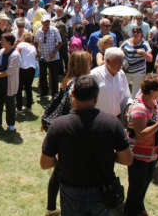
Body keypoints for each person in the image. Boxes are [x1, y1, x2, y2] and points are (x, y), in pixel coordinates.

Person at [40, 76, 133, 216]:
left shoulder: (58, 125)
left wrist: (64, 158)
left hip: (71, 192)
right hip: (103, 190)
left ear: (72, 94)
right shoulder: (112, 123)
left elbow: (45, 163)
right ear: (96, 98)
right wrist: (107, 155)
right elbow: (127, 160)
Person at [44, 51, 93, 216]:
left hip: (64, 131)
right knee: (62, 171)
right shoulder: (78, 85)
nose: (91, 65)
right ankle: (54, 207)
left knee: (59, 170)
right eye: (89, 62)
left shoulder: (68, 81)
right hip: (71, 133)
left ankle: (51, 207)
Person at [124, 73, 158, 216]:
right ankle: (130, 211)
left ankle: (139, 205)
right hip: (138, 153)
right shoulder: (139, 108)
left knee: (145, 182)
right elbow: (141, 134)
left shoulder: (153, 102)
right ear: (152, 91)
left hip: (151, 153)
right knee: (137, 185)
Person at [0, 33, 21, 130]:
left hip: (9, 83)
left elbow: (9, 71)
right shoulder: (1, 51)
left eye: (3, 40)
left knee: (10, 103)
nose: (0, 41)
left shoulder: (15, 54)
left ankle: (11, 124)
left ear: (9, 42)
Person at [90, 47, 132, 117]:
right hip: (98, 118)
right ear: (108, 61)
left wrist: (129, 108)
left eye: (122, 61)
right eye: (118, 61)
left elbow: (126, 96)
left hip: (116, 118)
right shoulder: (94, 74)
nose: (121, 64)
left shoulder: (121, 74)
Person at [120, 26, 153, 97]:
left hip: (139, 72)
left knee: (136, 92)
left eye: (138, 31)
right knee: (123, 89)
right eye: (134, 31)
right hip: (127, 70)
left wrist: (143, 53)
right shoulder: (127, 42)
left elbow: (150, 59)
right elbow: (119, 50)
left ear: (141, 33)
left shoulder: (144, 44)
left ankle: (133, 106)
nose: (136, 33)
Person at [35, 15, 62, 99]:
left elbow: (60, 43)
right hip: (42, 57)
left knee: (54, 75)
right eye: (45, 21)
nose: (46, 23)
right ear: (42, 22)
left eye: (48, 21)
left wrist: (54, 52)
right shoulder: (39, 31)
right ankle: (44, 92)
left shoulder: (54, 30)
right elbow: (35, 41)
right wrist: (37, 51)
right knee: (42, 75)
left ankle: (55, 93)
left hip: (53, 57)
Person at [15, 32, 37, 113]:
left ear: (24, 37)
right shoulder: (33, 47)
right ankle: (29, 107)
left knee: (19, 88)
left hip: (23, 68)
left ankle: (19, 108)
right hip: (32, 68)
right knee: (28, 88)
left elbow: (16, 54)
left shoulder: (21, 44)